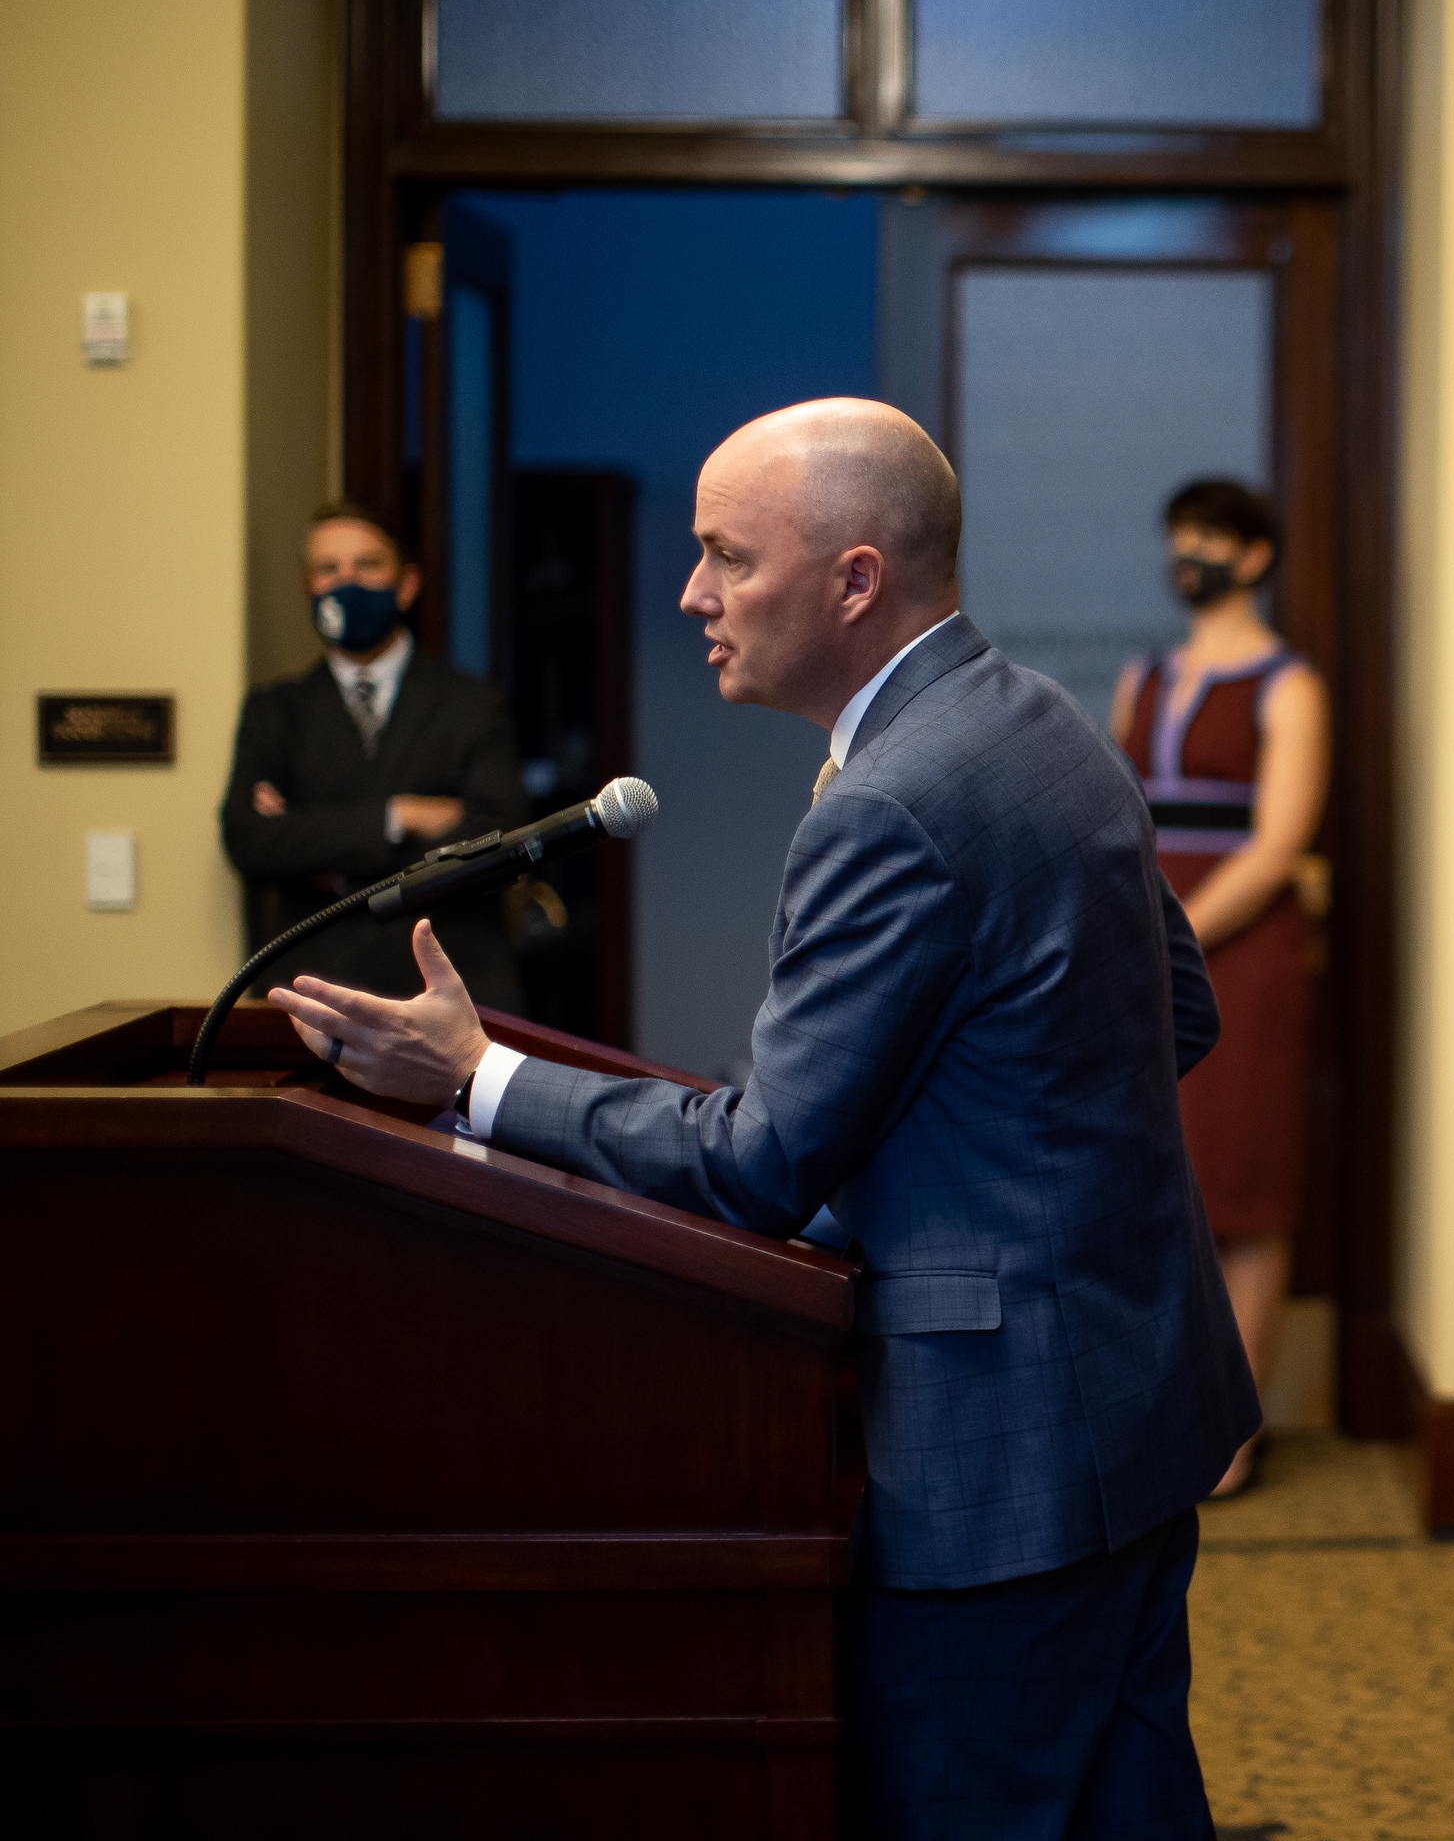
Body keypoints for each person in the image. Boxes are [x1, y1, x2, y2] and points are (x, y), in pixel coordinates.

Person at [264, 399, 1262, 1838]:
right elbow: (1174, 1017)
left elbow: (760, 1163)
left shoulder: (891, 801)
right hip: (1132, 1395)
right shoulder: (1040, 718)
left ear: (855, 581)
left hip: (999, 1470)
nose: (692, 596)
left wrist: (473, 1081)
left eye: (728, 558)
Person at [1109, 480, 1329, 1499]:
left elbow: (1282, 843)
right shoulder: (1140, 676)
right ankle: (1162, 1407)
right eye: (1175, 536)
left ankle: (1235, 1431)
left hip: (1243, 954)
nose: (1186, 551)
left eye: (1207, 536)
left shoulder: (1290, 685)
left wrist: (1177, 934)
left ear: (1254, 555)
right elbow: (1119, 818)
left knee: (1243, 1189)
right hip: (1143, 946)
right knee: (1161, 1180)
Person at [221, 505, 528, 1011]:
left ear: (405, 586)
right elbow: (250, 841)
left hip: (455, 989)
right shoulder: (274, 710)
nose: (346, 582)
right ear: (308, 589)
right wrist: (399, 817)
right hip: (314, 994)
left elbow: (499, 836)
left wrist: (320, 852)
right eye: (327, 569)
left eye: (366, 566)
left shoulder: (472, 704)